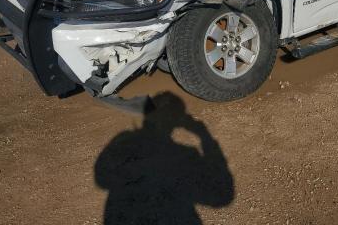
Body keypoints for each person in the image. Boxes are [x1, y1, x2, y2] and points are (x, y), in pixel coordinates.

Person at [95, 92, 234, 224]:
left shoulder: (125, 141)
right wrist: (205, 136)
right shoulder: (186, 155)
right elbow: (222, 197)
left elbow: (102, 178)